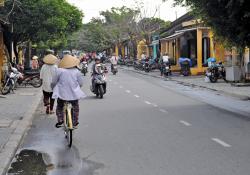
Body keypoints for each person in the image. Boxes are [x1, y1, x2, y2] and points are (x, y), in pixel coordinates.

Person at [51, 55, 86, 128]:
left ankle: (60, 120)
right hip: (74, 94)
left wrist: (53, 88)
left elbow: (54, 82)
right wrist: (76, 87)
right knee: (75, 107)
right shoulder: (77, 71)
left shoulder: (59, 70)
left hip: (62, 94)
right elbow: (81, 84)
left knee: (60, 107)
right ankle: (75, 122)